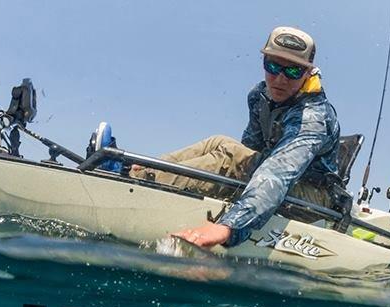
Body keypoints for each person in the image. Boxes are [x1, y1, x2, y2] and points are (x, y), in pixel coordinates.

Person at [127, 26, 341, 248]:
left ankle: (135, 186)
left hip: (314, 198)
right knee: (219, 143)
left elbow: (278, 172)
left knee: (231, 159)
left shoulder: (312, 117)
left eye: (293, 71)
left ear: (308, 73)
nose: (279, 79)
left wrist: (230, 226)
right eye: (273, 66)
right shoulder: (259, 97)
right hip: (270, 183)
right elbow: (250, 152)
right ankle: (134, 171)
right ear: (264, 61)